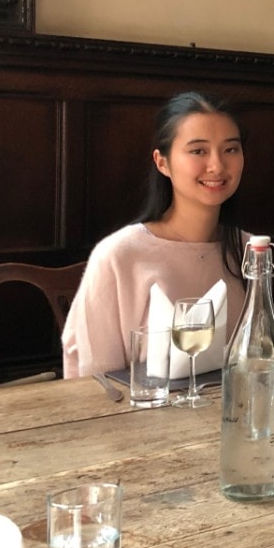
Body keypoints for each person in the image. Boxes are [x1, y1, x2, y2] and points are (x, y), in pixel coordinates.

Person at [62, 91, 247, 377]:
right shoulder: (119, 255)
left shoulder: (250, 249)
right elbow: (95, 381)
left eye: (230, 149)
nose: (217, 166)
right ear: (162, 163)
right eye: (198, 150)